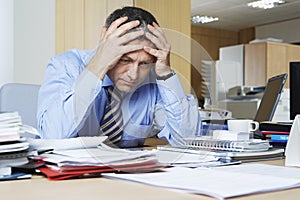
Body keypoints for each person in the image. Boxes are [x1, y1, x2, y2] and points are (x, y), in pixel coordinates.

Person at [37, 6, 201, 147]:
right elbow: (53, 137)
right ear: (105, 39)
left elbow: (187, 141)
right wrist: (98, 65)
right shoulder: (66, 65)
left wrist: (166, 74)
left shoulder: (153, 81)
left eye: (144, 63)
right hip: (73, 178)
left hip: (127, 175)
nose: (133, 74)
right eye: (125, 59)